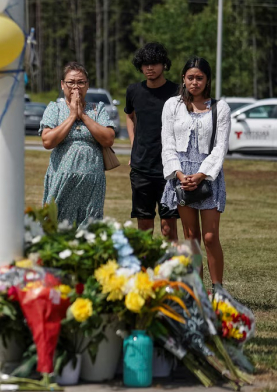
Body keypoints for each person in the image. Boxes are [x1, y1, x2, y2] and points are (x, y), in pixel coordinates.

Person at [160, 57, 231, 294]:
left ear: (207, 80)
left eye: (200, 77)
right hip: (181, 177)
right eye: (190, 77)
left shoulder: (220, 108)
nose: (194, 82)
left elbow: (220, 147)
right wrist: (180, 174)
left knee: (210, 236)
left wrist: (200, 174)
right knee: (191, 237)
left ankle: (218, 289)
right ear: (183, 78)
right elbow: (167, 142)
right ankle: (197, 291)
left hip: (208, 176)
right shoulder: (172, 105)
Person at [39, 62, 116, 226]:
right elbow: (47, 141)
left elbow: (108, 138)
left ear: (87, 86)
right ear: (62, 85)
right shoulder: (55, 108)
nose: (76, 87)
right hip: (61, 178)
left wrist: (83, 115)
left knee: (88, 225)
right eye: (71, 82)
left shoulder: (97, 109)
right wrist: (72, 115)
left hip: (92, 180)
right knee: (56, 222)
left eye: (81, 82)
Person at [125, 43, 179, 240]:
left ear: (164, 64)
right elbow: (129, 116)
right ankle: (144, 270)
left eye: (154, 63)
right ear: (140, 66)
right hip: (141, 168)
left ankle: (172, 270)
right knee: (144, 227)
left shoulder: (177, 92)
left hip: (169, 169)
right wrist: (133, 145)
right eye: (145, 64)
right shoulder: (133, 91)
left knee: (168, 229)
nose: (149, 68)